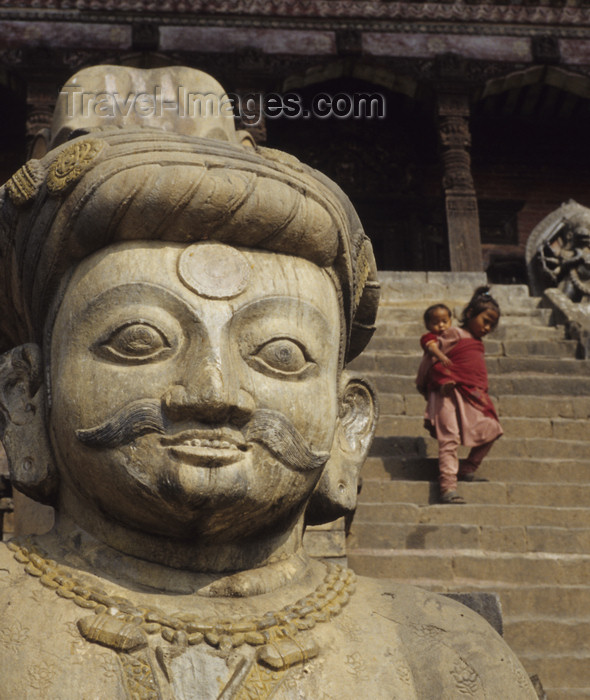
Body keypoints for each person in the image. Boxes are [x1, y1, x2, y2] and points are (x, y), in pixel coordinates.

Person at [0, 66, 535, 698]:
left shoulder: (446, 652)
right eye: (139, 341)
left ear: (348, 423)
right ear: (27, 397)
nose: (213, 392)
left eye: (281, 354)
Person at [417, 286, 503, 505]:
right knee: (450, 438)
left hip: (471, 395)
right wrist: (432, 379)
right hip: (446, 392)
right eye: (485, 320)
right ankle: (448, 486)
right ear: (469, 315)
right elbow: (431, 355)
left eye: (492, 325)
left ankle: (467, 468)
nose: (487, 327)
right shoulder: (454, 333)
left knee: (493, 428)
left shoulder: (477, 344)